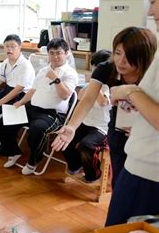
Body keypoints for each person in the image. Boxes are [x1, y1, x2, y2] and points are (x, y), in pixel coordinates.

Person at [52, 27, 156, 187]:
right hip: (118, 128)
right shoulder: (106, 68)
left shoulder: (152, 74)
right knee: (120, 179)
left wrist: (141, 127)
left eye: (129, 56)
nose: (121, 61)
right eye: (118, 53)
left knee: (143, 182)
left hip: (149, 132)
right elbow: (87, 99)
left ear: (143, 56)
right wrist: (71, 126)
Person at [103, 0, 159, 225]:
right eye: (117, 53)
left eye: (155, 1)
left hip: (147, 171)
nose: (151, 11)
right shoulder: (106, 68)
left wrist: (129, 91)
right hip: (136, 158)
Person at [0, 39, 78, 174]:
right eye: (51, 53)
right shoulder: (43, 70)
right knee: (5, 119)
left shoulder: (70, 73)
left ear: (67, 53)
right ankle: (14, 152)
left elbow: (65, 95)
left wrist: (55, 78)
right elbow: (32, 90)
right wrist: (21, 102)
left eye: (58, 53)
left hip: (53, 114)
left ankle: (34, 160)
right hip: (33, 108)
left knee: (36, 129)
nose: (55, 57)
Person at [62, 50, 112, 182]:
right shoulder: (91, 84)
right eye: (95, 66)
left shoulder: (110, 86)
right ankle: (75, 165)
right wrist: (91, 84)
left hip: (102, 127)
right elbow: (80, 97)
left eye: (100, 66)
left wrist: (97, 84)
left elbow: (103, 102)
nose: (96, 69)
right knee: (64, 139)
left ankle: (94, 175)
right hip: (86, 122)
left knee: (87, 146)